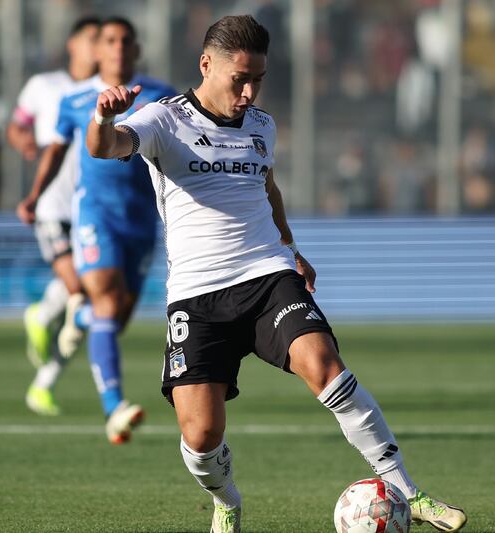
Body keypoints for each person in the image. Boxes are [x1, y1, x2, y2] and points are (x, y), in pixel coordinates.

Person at [86, 14, 466, 533]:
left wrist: (291, 247)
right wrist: (104, 119)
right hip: (197, 296)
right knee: (200, 437)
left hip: (267, 274)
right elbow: (104, 147)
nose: (248, 93)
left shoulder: (262, 126)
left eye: (257, 80)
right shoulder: (164, 120)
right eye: (239, 79)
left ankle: (405, 488)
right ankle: (227, 500)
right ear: (206, 65)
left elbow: (266, 187)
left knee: (325, 364)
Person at [18, 16, 176, 443]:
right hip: (95, 217)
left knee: (115, 316)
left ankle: (80, 315)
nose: (119, 48)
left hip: (143, 219)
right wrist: (34, 196)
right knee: (107, 302)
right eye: (110, 41)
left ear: (136, 49)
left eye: (126, 40)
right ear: (98, 50)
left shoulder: (161, 96)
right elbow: (55, 152)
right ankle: (115, 409)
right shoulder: (75, 100)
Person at [8, 16, 100, 416]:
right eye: (94, 38)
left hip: (92, 210)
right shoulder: (44, 86)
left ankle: (42, 384)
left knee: (86, 305)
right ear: (73, 44)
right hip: (53, 208)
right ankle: (45, 314)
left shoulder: (105, 92)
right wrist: (25, 143)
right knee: (81, 293)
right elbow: (17, 126)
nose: (102, 46)